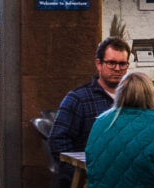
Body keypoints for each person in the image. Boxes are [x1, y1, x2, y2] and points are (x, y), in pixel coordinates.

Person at [46, 37, 133, 176]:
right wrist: (80, 175)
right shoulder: (78, 99)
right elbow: (58, 142)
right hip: (90, 175)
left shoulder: (133, 98)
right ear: (98, 64)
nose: (117, 69)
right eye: (111, 63)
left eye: (122, 64)